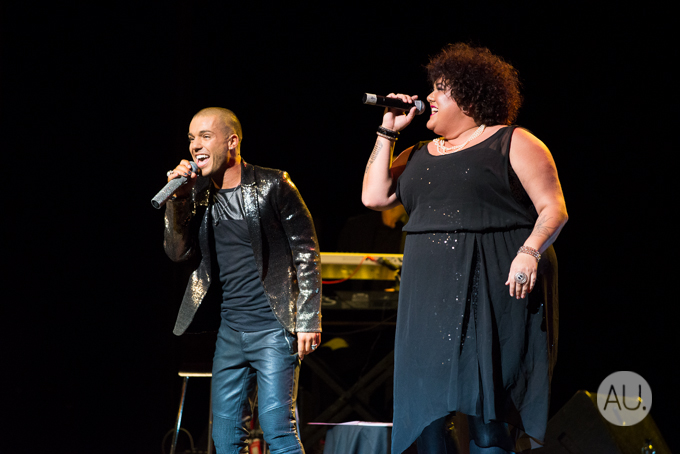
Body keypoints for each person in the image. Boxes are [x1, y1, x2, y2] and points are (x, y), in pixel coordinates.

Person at [361, 44, 568, 454]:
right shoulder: (418, 154)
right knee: (427, 418)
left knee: (487, 419)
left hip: (490, 288)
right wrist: (388, 131)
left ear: (471, 98)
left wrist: (529, 251)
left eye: (441, 89)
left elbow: (553, 208)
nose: (429, 97)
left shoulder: (513, 141)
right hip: (427, 296)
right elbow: (374, 196)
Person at [164, 107, 322, 454]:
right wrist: (178, 199)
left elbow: (306, 251)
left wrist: (309, 319)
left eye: (205, 136)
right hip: (231, 333)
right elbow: (177, 252)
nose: (195, 145)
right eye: (191, 138)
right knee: (225, 439)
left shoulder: (273, 184)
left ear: (231, 141)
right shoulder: (197, 193)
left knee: (279, 433)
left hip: (273, 330)